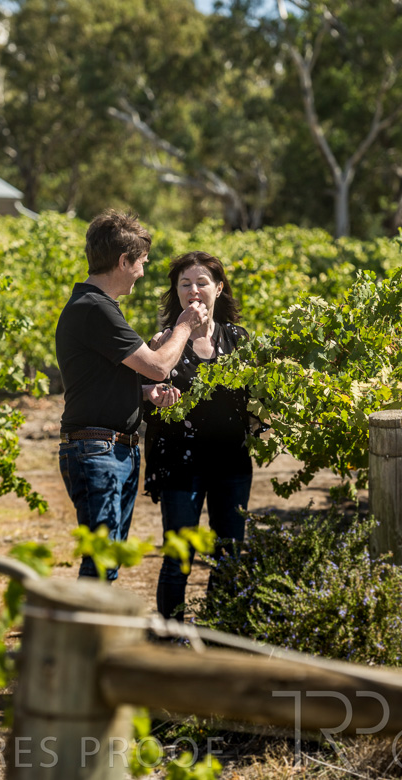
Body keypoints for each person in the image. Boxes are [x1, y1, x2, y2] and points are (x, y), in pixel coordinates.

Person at [55, 210, 208, 581]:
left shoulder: (96, 306)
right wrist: (184, 327)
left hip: (107, 449)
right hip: (99, 451)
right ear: (123, 261)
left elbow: (98, 382)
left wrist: (142, 393)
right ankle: (82, 621)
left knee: (107, 561)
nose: (142, 271)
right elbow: (159, 365)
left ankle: (89, 620)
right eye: (141, 263)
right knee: (102, 562)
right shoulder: (95, 308)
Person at [144, 251, 253, 619]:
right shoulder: (163, 344)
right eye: (185, 284)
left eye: (202, 283)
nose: (193, 290)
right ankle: (170, 634)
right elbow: (145, 401)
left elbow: (256, 399)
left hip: (232, 465)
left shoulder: (238, 340)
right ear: (175, 292)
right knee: (179, 557)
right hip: (180, 466)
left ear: (218, 289)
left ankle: (219, 628)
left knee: (229, 552)